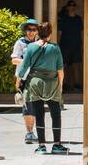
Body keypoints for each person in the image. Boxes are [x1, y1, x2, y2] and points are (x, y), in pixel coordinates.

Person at [18, 21, 66, 154]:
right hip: (52, 83)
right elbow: (60, 70)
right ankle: (57, 145)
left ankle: (42, 145)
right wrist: (60, 86)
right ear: (50, 34)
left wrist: (18, 81)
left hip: (35, 83)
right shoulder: (55, 48)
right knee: (55, 114)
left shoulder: (31, 47)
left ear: (38, 33)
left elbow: (24, 67)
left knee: (39, 114)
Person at [11, 18, 40, 142]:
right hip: (24, 78)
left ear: (37, 31)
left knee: (36, 105)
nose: (31, 32)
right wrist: (27, 62)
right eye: (29, 29)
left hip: (38, 78)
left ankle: (33, 131)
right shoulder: (20, 43)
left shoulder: (40, 43)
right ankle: (29, 132)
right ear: (25, 31)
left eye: (33, 30)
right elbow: (14, 60)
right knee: (28, 105)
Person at [57, 1, 84, 89]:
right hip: (65, 45)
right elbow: (59, 32)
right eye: (70, 6)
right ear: (67, 8)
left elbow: (82, 32)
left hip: (76, 45)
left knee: (76, 64)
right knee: (63, 65)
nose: (72, 7)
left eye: (74, 6)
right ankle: (64, 83)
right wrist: (57, 44)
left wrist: (83, 44)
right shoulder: (63, 19)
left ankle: (77, 83)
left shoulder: (78, 19)